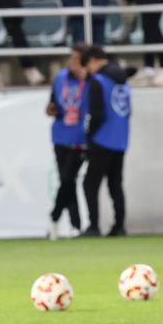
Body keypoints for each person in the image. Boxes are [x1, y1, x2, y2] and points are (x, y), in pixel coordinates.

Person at [82, 51, 134, 237]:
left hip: (102, 139)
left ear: (93, 61)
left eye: (87, 66)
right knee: (115, 184)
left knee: (90, 184)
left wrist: (89, 137)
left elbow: (96, 114)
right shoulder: (124, 82)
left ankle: (93, 226)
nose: (88, 71)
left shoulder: (99, 81)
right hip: (120, 139)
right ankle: (119, 226)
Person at [46, 44, 96, 238]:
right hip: (61, 136)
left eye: (77, 59)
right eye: (71, 58)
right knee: (67, 182)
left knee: (68, 179)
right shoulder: (60, 78)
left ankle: (54, 217)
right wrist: (51, 109)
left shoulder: (93, 82)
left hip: (81, 138)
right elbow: (52, 104)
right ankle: (73, 224)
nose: (72, 63)